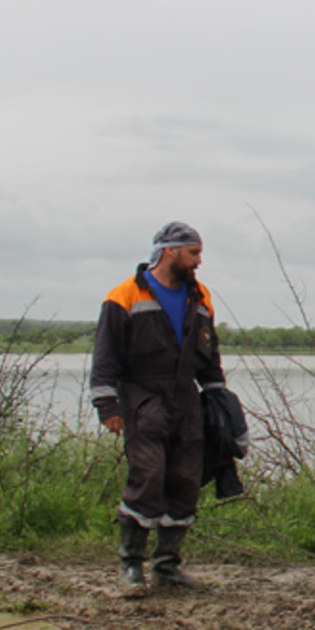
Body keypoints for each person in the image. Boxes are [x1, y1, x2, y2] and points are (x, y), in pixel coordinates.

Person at [91, 221, 227, 587]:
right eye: (194, 253)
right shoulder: (124, 296)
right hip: (143, 397)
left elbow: (209, 353)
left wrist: (218, 398)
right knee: (148, 477)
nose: (199, 261)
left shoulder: (200, 297)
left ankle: (167, 567)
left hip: (186, 399)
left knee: (185, 480)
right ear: (170, 251)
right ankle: (130, 565)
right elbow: (105, 356)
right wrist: (108, 406)